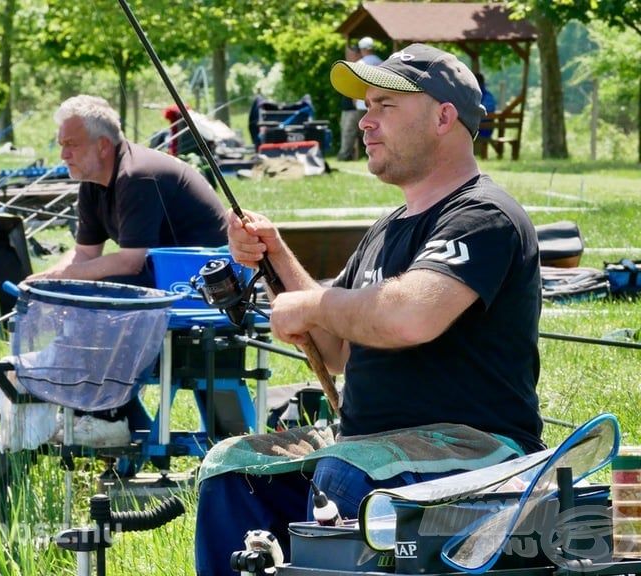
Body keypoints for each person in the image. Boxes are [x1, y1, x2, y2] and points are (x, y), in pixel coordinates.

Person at [195, 44, 544, 575]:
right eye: (366, 105)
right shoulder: (387, 229)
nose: (366, 120)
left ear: (443, 116)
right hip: (369, 449)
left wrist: (310, 301)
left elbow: (409, 317)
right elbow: (335, 351)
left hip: (480, 452)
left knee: (346, 472)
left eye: (385, 104)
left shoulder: (483, 216)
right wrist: (276, 257)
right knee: (232, 468)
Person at [28, 95, 226, 287]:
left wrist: (64, 276)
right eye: (62, 145)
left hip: (208, 277)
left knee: (97, 291)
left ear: (103, 146)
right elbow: (85, 253)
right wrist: (46, 279)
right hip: (167, 272)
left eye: (72, 144)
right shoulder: (92, 181)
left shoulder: (137, 175)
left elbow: (130, 263)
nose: (64, 155)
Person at [336, 46, 361, 161]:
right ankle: (347, 155)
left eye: (350, 54)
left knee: (348, 133)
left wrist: (356, 104)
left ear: (357, 54)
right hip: (347, 108)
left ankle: (344, 156)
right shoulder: (349, 68)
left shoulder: (360, 67)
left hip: (354, 109)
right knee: (346, 133)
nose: (348, 57)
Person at [474, 72, 498, 155]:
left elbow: (482, 113)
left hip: (482, 130)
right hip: (484, 128)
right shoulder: (488, 96)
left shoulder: (481, 96)